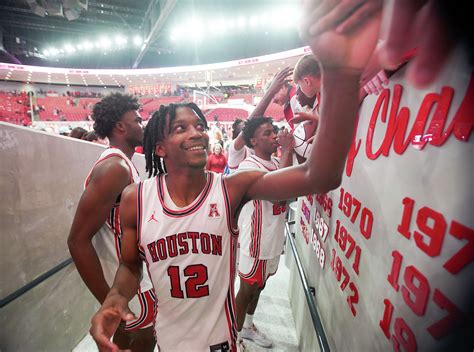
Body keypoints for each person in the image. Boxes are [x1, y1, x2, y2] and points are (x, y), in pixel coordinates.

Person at [89, 7, 382, 351]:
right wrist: (115, 297)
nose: (197, 133)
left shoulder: (233, 188)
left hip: (220, 343)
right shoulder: (136, 198)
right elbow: (129, 265)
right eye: (181, 128)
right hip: (166, 339)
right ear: (160, 148)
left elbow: (321, 176)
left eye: (200, 126)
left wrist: (339, 73)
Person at [67, 93, 156, 352]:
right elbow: (77, 241)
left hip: (133, 277)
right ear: (121, 126)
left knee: (127, 341)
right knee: (143, 340)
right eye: (138, 120)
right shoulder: (115, 168)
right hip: (128, 282)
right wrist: (110, 301)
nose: (143, 125)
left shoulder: (125, 163)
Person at [234, 117, 294, 348]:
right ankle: (235, 337)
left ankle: (248, 326)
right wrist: (288, 150)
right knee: (246, 290)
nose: (274, 137)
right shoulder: (249, 167)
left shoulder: (278, 164)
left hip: (274, 238)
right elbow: (283, 191)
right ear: (253, 140)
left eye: (274, 131)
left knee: (260, 287)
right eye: (268, 133)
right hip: (255, 242)